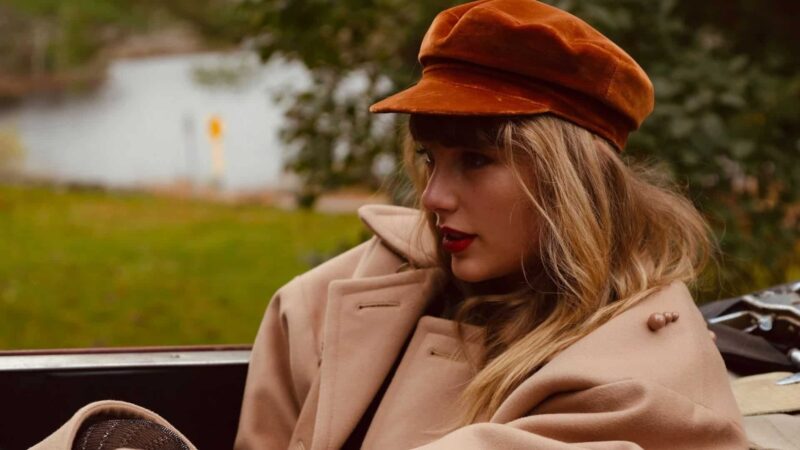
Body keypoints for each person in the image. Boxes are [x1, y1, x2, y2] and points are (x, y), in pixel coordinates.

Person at [33, 0, 747, 449]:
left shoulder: (642, 382)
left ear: (572, 182)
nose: (432, 197)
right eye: (431, 159)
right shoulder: (326, 302)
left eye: (476, 161)